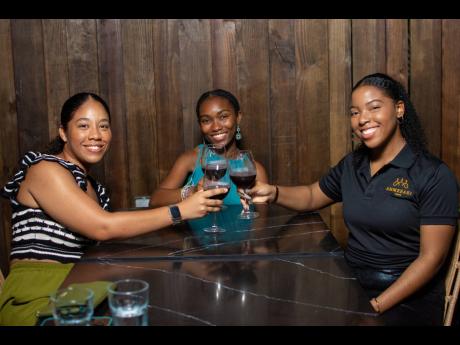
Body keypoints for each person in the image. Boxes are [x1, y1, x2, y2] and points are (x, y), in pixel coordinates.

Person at [244, 73, 459, 325]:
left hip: (407, 295)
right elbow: (313, 195)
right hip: (354, 283)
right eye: (354, 112)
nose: (362, 119)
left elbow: (431, 260)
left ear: (399, 109)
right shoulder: (352, 165)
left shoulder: (433, 174)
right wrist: (274, 192)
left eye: (374, 108)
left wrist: (375, 307)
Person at [0, 92, 227, 326]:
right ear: (63, 132)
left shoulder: (92, 186)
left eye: (103, 126)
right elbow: (103, 227)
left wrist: (183, 244)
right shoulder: (45, 169)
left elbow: (111, 231)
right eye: (83, 126)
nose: (96, 135)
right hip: (38, 297)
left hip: (79, 289)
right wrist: (179, 211)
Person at [149, 89, 268, 208]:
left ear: (238, 117)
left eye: (223, 117)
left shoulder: (254, 169)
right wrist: (191, 191)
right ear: (200, 124)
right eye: (206, 120)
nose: (216, 127)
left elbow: (261, 219)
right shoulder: (191, 159)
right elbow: (155, 200)